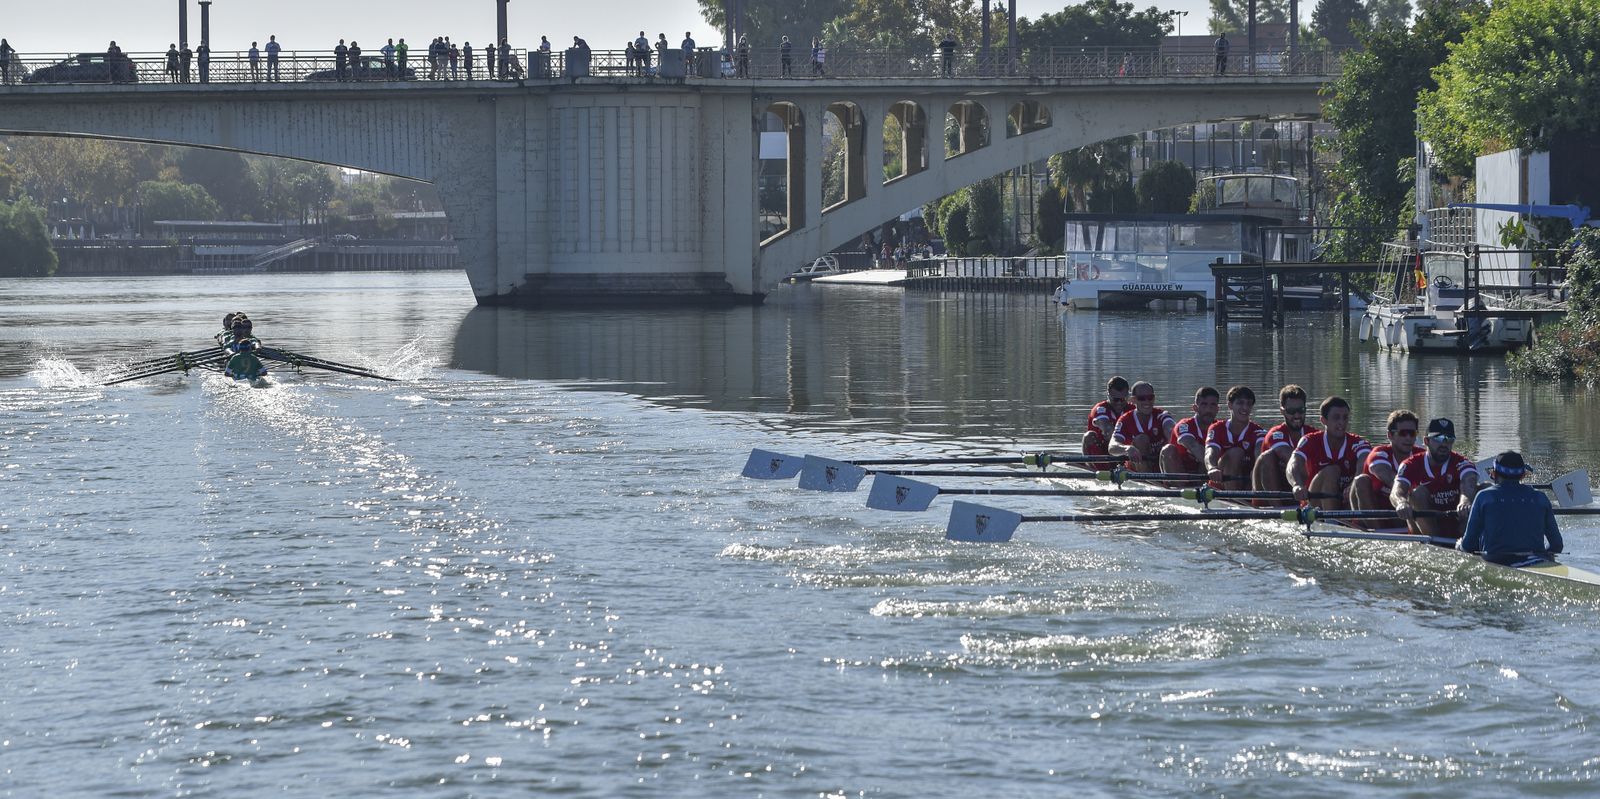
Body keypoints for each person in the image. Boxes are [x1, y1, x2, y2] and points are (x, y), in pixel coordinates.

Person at [1458, 452, 1562, 566]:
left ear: (1494, 474)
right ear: (1523, 475)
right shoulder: (1540, 498)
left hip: (1496, 562)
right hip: (1536, 561)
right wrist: (1545, 555)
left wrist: (1460, 545)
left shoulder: (1484, 497)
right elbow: (1557, 546)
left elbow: (1468, 546)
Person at [1391, 418, 1479, 540]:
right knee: (1418, 494)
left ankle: (1470, 541)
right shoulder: (1410, 464)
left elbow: (1469, 482)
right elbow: (1396, 491)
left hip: (1456, 523)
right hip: (1424, 528)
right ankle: (1435, 543)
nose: (1444, 444)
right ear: (1426, 441)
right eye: (1438, 439)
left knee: (1486, 489)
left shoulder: (1462, 463)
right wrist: (1401, 502)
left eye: (1449, 439)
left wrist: (1465, 501)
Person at [1287, 396, 1371, 511]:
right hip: (1315, 501)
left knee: (1362, 480)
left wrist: (1354, 483)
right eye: (1336, 418)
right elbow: (1293, 463)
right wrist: (1297, 485)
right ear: (1323, 420)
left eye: (1345, 418)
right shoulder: (1310, 440)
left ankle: (1354, 522)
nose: (1342, 422)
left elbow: (1364, 460)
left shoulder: (1359, 443)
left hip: (1345, 499)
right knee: (1332, 471)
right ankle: (1332, 519)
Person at [1349, 409, 1419, 512]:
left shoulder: (1421, 455)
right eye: (1403, 433)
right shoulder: (1379, 454)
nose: (1408, 438)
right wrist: (1401, 494)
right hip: (1375, 513)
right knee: (1361, 480)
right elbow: (1388, 476)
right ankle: (1375, 527)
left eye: (1412, 433)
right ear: (1390, 435)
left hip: (1402, 514)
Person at [1252, 384, 1314, 496]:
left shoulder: (1312, 434)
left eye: (1301, 410)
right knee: (1268, 456)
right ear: (1282, 411)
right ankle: (1276, 508)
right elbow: (1288, 456)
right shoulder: (1276, 434)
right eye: (1291, 411)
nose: (1297, 415)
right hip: (1270, 497)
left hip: (1299, 492)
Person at [1204, 385, 1265, 488]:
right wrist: (1211, 468)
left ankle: (1250, 498)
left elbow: (1260, 452)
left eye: (1248, 404)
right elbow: (1210, 451)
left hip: (1246, 482)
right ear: (1230, 405)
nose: (1245, 408)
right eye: (1240, 403)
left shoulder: (1258, 432)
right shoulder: (1217, 428)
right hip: (1220, 482)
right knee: (1236, 452)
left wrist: (1257, 469)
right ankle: (1233, 496)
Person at [1109, 381, 1176, 474]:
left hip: (1159, 464)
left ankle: (1174, 482)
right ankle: (1148, 479)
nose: (1147, 402)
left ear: (1154, 398)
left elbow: (1172, 431)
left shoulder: (1163, 416)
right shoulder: (1125, 420)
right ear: (1133, 400)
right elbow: (1112, 447)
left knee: (1170, 448)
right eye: (1142, 398)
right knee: (1141, 440)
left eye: (1150, 398)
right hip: (1137, 467)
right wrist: (1127, 449)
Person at [1161, 386, 1220, 479]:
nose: (1208, 410)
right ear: (1195, 408)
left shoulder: (1220, 427)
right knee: (1168, 449)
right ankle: (1178, 488)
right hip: (1180, 473)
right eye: (1204, 405)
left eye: (1212, 405)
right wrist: (1212, 467)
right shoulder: (1184, 425)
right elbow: (1193, 446)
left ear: (1217, 409)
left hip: (1203, 472)